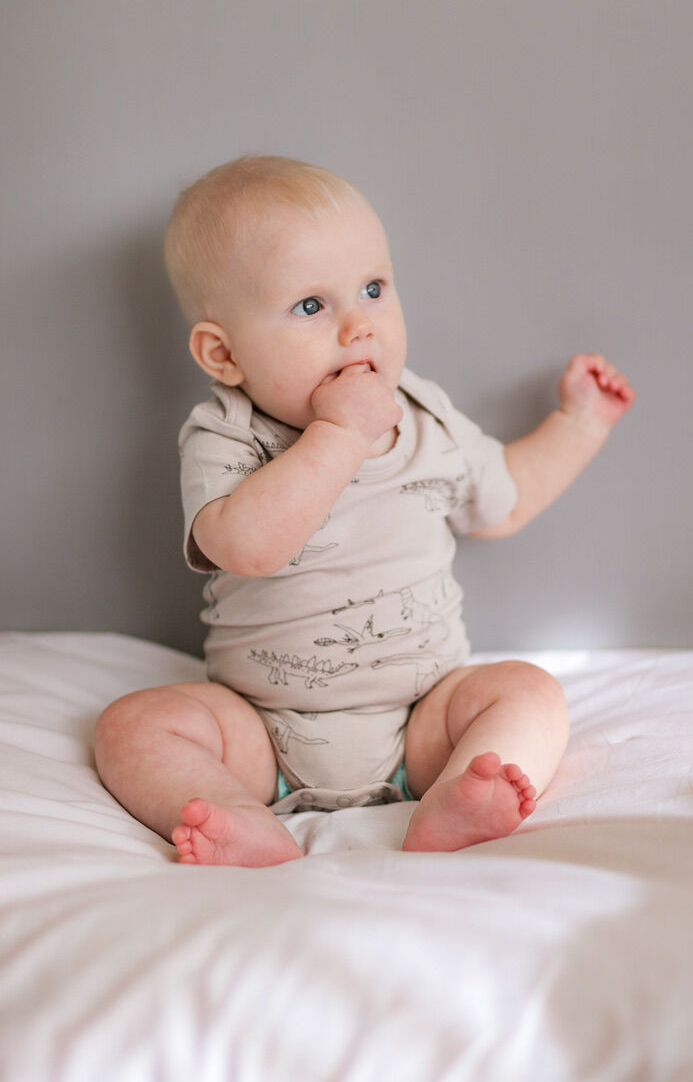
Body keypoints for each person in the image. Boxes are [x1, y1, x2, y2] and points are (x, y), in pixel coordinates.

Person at [93, 155, 635, 867]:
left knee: (529, 692)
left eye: (373, 289)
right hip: (263, 731)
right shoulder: (227, 433)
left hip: (422, 724)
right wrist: (339, 435)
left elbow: (504, 499)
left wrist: (579, 423)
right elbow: (246, 546)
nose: (359, 327)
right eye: (312, 306)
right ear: (223, 354)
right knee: (130, 726)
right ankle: (232, 812)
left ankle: (453, 804)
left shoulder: (422, 414)